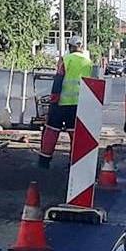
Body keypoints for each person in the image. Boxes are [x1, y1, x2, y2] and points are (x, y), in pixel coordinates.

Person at [38, 36, 94, 168]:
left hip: (61, 102)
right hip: (79, 104)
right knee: (74, 133)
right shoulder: (88, 62)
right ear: (81, 47)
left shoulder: (66, 59)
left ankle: (44, 161)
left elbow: (59, 78)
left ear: (70, 47)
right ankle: (74, 162)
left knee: (51, 130)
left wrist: (54, 99)